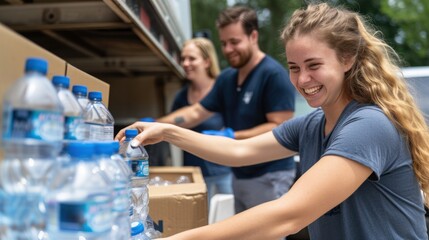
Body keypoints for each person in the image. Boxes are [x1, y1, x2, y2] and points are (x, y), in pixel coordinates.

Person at [115, 2, 429, 239]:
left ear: (347, 59)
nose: (303, 79)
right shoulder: (312, 125)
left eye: (314, 65)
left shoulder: (368, 125)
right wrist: (168, 132)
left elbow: (289, 214)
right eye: (294, 67)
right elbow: (239, 151)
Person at [118, 5, 296, 214]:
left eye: (234, 42)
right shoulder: (227, 79)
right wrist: (157, 123)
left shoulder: (273, 75)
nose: (228, 49)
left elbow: (281, 127)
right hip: (240, 172)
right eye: (223, 43)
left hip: (269, 173)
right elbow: (194, 113)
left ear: (253, 36)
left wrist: (232, 135)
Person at [171, 37, 232, 201]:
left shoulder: (223, 91)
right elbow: (174, 127)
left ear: (206, 62)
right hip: (194, 174)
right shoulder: (181, 97)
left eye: (191, 58)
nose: (185, 63)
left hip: (223, 173)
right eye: (183, 58)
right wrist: (154, 124)